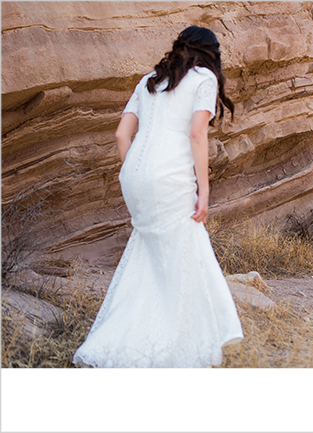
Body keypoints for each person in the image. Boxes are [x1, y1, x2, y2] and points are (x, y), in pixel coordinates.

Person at [73, 26, 243, 367]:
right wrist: (204, 189)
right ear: (209, 52)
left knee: (149, 254)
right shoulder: (204, 79)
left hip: (135, 174)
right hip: (171, 175)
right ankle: (174, 346)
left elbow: (122, 134)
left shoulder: (149, 79)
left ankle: (129, 335)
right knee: (183, 253)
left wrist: (136, 171)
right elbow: (196, 133)